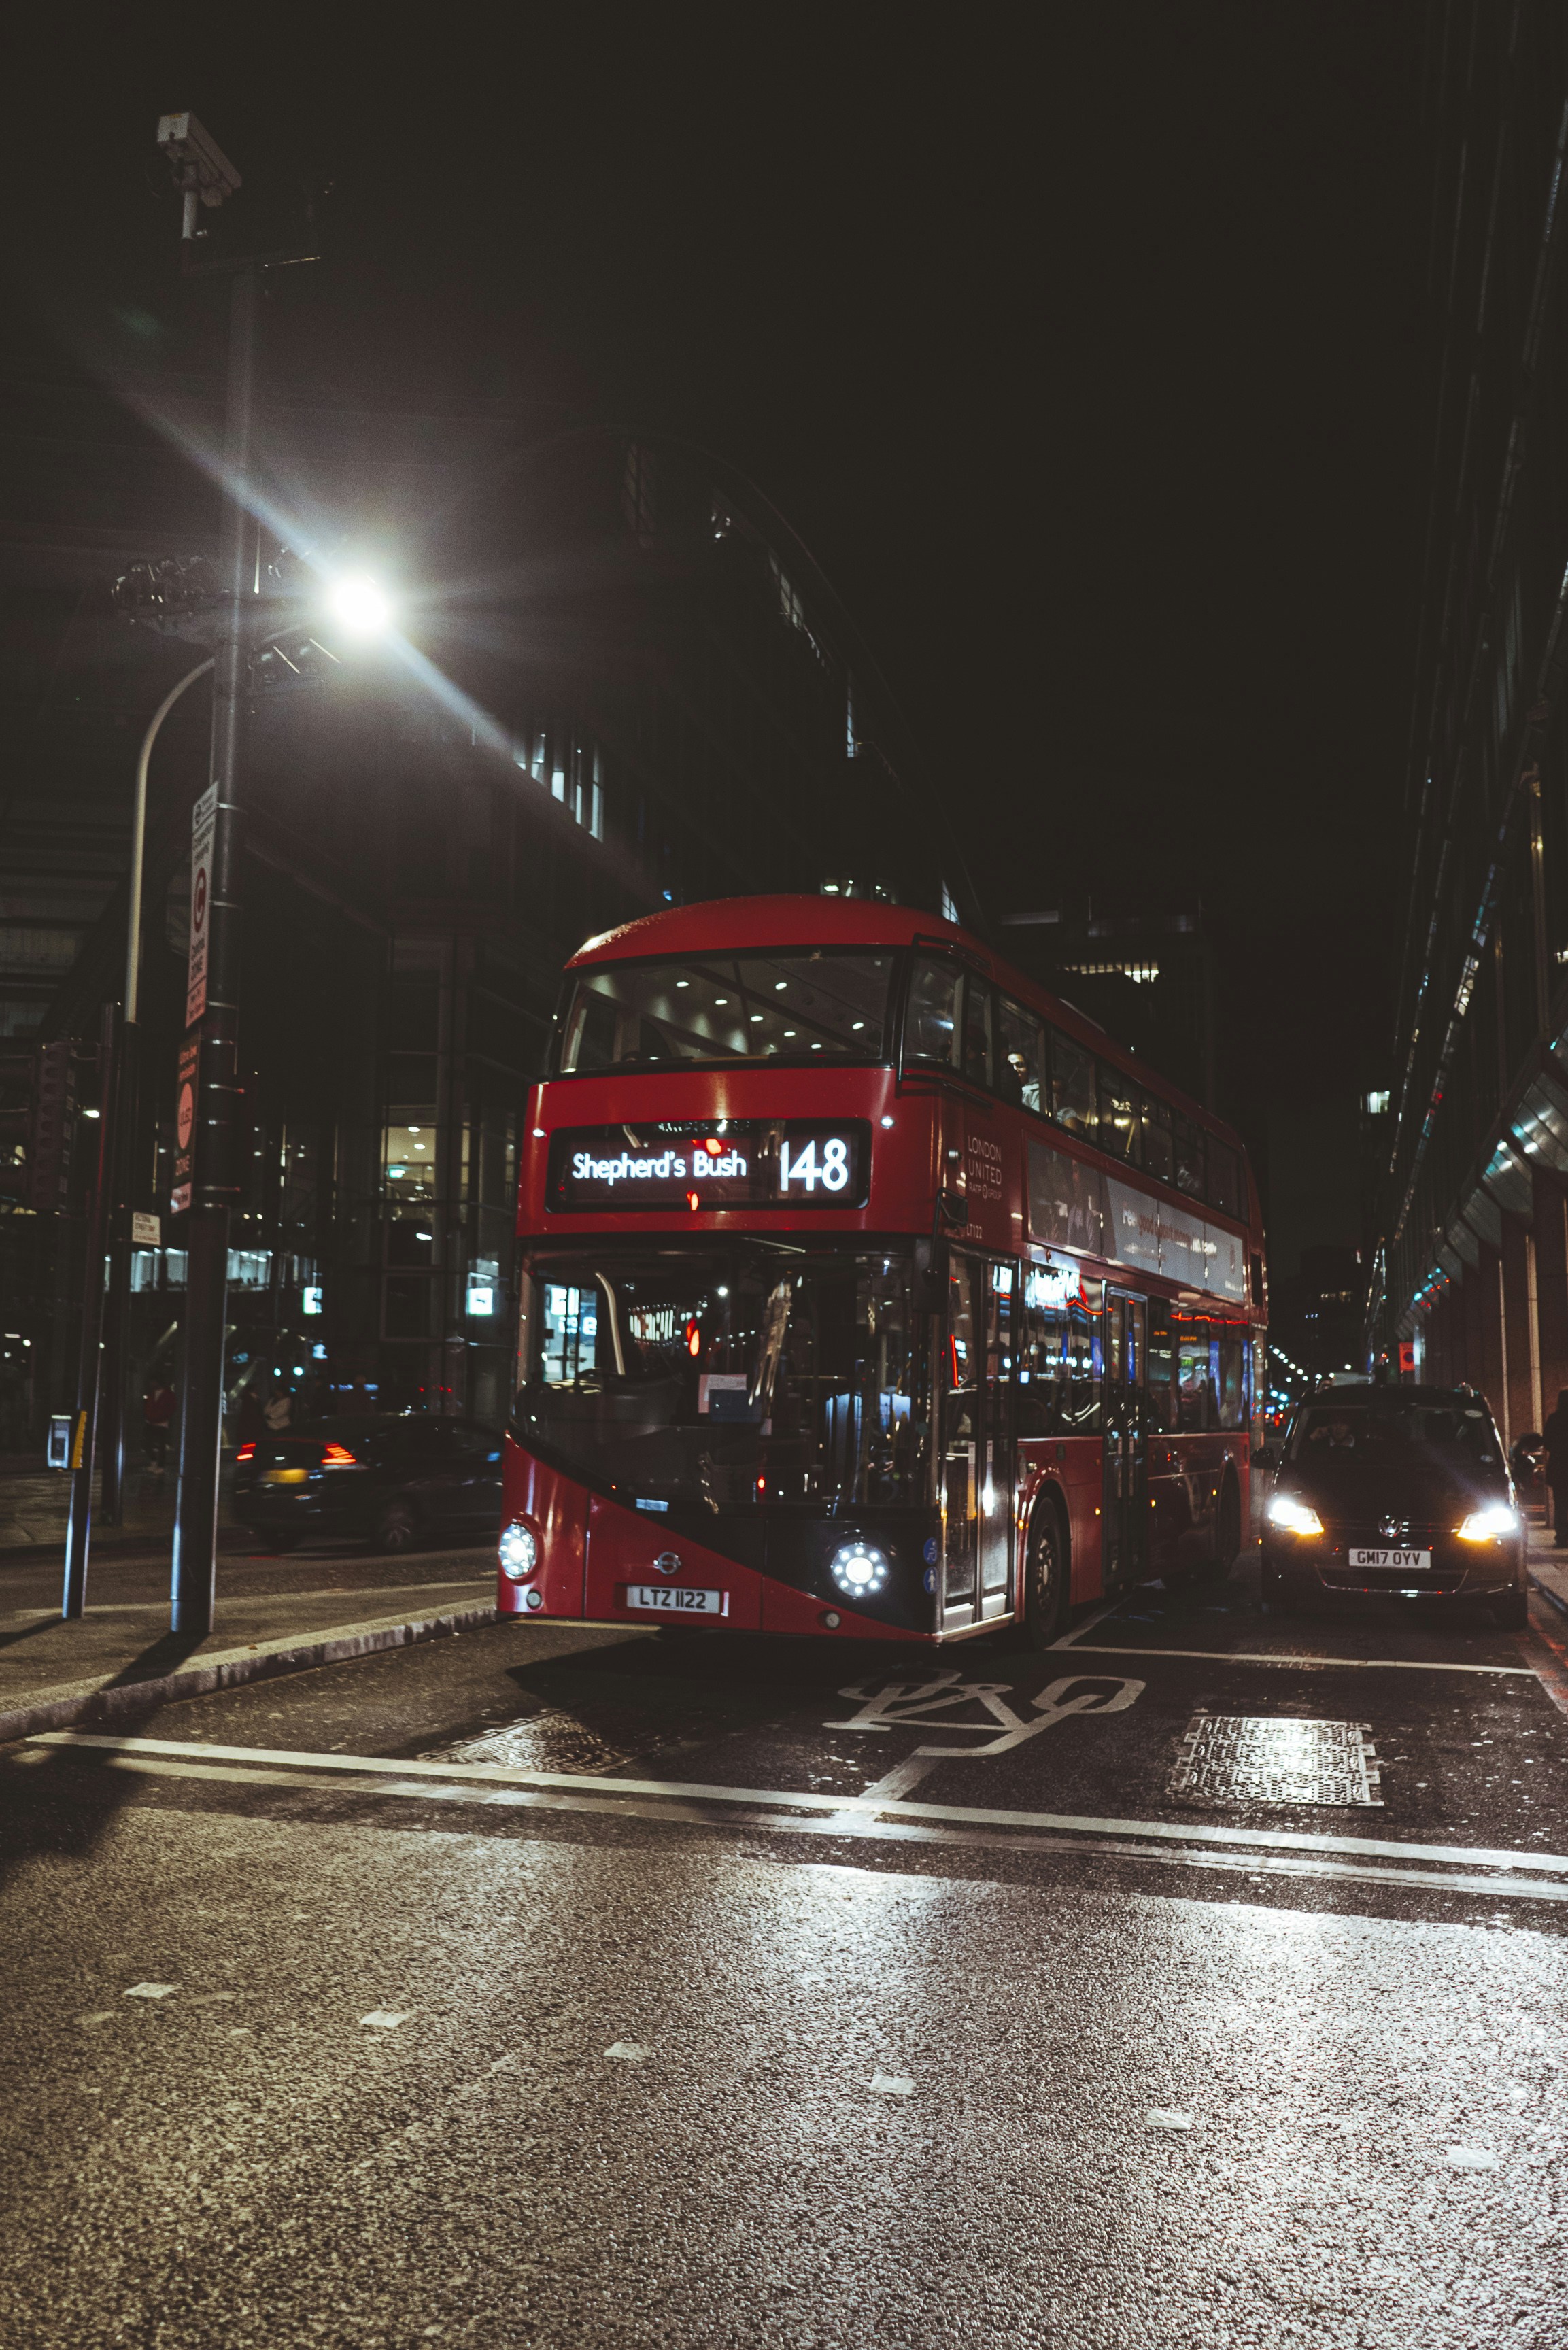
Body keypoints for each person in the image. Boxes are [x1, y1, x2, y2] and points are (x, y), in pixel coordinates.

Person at [1544, 1389, 1568, 1547]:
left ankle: (1562, 1537)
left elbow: (1547, 1443)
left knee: (1560, 1505)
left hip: (1559, 1468)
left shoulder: (1554, 1419)